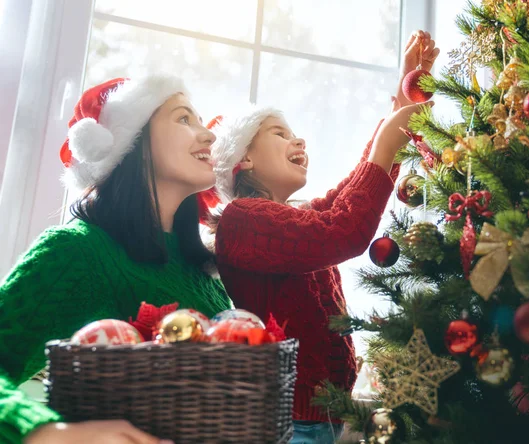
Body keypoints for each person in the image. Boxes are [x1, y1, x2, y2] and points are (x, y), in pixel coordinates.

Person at [208, 31, 439, 444]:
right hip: (287, 424)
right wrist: (389, 138)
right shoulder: (241, 219)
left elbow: (353, 190)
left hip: (327, 420)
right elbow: (343, 231)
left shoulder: (297, 215)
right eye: (279, 133)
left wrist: (403, 101)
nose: (299, 140)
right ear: (242, 159)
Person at [0, 75, 232, 444]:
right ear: (133, 141)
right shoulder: (76, 251)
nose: (208, 135)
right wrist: (41, 431)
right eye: (184, 119)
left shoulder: (202, 274)